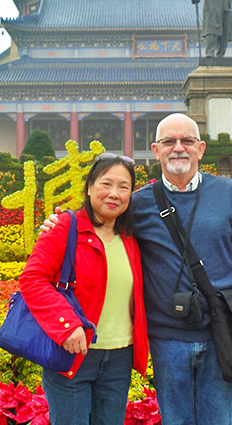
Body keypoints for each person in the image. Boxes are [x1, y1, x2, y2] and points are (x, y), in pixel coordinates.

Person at [43, 114, 232, 425]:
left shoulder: (228, 194)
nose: (178, 149)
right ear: (156, 150)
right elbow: (95, 225)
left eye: (187, 141)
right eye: (168, 142)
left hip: (222, 335)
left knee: (218, 420)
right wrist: (60, 224)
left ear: (200, 149)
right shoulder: (138, 203)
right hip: (167, 340)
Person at [19, 153, 148, 425]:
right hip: (73, 355)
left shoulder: (132, 236)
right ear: (89, 187)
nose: (114, 193)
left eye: (123, 187)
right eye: (106, 184)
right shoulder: (66, 227)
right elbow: (32, 278)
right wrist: (66, 325)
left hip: (119, 358)